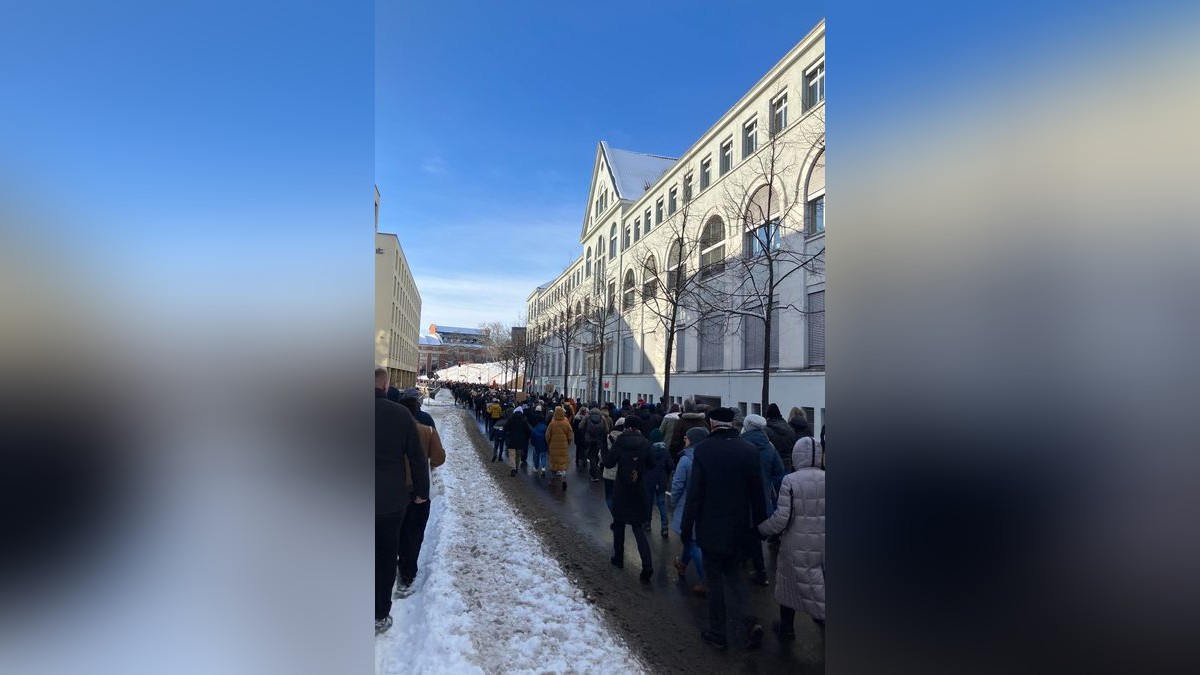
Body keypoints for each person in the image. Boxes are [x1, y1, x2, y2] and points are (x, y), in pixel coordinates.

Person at [681, 407, 766, 651]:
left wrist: (687, 529)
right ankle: (751, 621)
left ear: (712, 424)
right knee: (735, 576)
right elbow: (757, 494)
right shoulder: (749, 451)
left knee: (715, 579)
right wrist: (759, 528)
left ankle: (718, 632)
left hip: (711, 526)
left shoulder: (704, 450)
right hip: (739, 527)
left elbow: (695, 494)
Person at [375, 367, 429, 635]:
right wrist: (421, 491)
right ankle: (379, 614)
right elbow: (417, 458)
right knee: (386, 555)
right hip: (390, 500)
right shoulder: (400, 414)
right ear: (386, 387)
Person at [757, 433, 826, 639]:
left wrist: (762, 529)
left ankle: (787, 628)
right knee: (819, 583)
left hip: (795, 544)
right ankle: (820, 617)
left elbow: (782, 519)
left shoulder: (791, 481)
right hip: (823, 544)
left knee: (788, 585)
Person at [394, 392, 446, 598]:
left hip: (392, 489)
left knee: (391, 531)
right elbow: (439, 458)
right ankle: (407, 575)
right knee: (413, 534)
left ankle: (389, 567)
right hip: (418, 489)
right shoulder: (427, 431)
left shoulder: (390, 431)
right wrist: (428, 463)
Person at [603, 416, 655, 582]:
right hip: (639, 489)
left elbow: (609, 463)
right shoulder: (645, 443)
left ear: (626, 427)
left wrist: (603, 445)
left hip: (622, 488)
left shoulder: (620, 442)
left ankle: (619, 558)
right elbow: (652, 464)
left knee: (619, 524)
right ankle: (647, 564)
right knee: (638, 528)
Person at [739, 414, 782, 586]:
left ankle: (743, 563)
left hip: (741, 495)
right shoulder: (769, 446)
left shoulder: (740, 444)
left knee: (741, 529)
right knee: (755, 533)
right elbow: (778, 471)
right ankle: (760, 571)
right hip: (762, 497)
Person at [671, 426, 709, 597]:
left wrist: (673, 501)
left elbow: (678, 484)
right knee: (689, 539)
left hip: (687, 504)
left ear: (692, 441)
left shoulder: (685, 460)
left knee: (693, 542)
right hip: (706, 504)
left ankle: (705, 580)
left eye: (686, 438)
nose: (684, 440)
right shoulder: (709, 458)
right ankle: (683, 564)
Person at [643, 440, 672, 538]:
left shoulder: (648, 451)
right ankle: (664, 526)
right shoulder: (665, 452)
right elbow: (671, 466)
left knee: (648, 502)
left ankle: (647, 523)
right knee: (661, 503)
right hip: (661, 481)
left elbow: (644, 465)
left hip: (649, 480)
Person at [545, 406, 573, 491]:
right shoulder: (566, 423)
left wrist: (549, 443)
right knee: (563, 463)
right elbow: (570, 436)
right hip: (563, 446)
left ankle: (553, 479)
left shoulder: (552, 424)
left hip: (553, 446)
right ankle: (564, 479)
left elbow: (547, 436)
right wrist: (567, 443)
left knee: (554, 462)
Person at [763, 403, 797, 474]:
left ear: (768, 417)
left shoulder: (766, 431)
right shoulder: (790, 429)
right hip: (787, 464)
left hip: (773, 465)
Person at [581, 407, 609, 482]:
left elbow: (580, 426)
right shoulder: (602, 418)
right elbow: (606, 430)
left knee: (591, 455)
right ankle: (595, 468)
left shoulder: (587, 416)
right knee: (595, 454)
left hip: (589, 439)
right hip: (598, 439)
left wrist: (585, 433)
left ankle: (594, 474)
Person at [504, 408, 531, 477]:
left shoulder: (510, 419)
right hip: (521, 440)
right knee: (518, 455)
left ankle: (513, 468)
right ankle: (516, 467)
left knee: (512, 455)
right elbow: (528, 431)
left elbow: (505, 428)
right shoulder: (524, 420)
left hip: (512, 439)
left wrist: (508, 434)